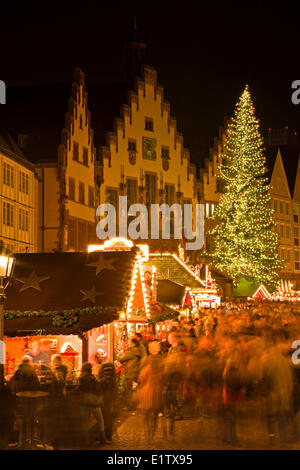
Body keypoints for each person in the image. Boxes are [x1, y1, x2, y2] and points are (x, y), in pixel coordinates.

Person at [137, 341, 165, 440]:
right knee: (155, 411)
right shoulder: (162, 360)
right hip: (157, 390)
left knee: (147, 412)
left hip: (148, 390)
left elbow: (141, 376)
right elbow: (164, 376)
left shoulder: (146, 360)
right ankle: (152, 430)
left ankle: (148, 430)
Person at [76, 362, 109, 445]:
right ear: (89, 369)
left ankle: (86, 441)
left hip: (84, 402)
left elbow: (79, 389)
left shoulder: (81, 378)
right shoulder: (91, 377)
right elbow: (97, 387)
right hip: (93, 402)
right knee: (100, 420)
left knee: (84, 422)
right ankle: (103, 439)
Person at [118, 338, 142, 410]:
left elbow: (122, 359)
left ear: (133, 343)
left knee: (128, 390)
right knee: (131, 390)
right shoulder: (138, 351)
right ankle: (132, 405)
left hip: (130, 373)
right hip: (135, 372)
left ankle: (129, 406)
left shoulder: (131, 351)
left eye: (130, 343)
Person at [98, 361, 117, 443]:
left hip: (105, 397)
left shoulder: (104, 372)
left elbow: (102, 383)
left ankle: (106, 436)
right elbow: (114, 386)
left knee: (105, 417)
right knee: (108, 417)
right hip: (110, 396)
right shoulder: (112, 373)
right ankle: (108, 436)